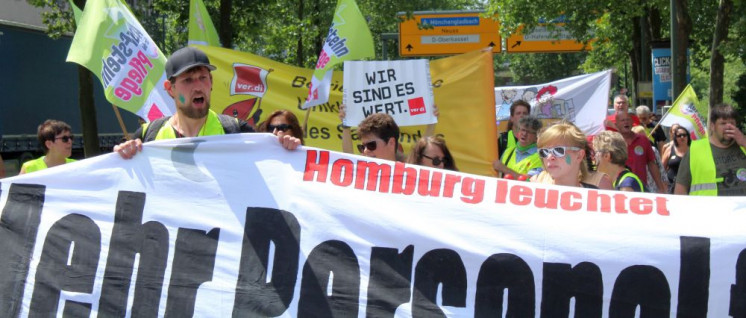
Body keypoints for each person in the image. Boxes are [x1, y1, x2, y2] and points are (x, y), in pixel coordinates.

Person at [114, 47, 299, 158]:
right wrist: (123, 153)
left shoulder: (235, 131)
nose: (198, 87)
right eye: (188, 80)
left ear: (211, 82)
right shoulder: (149, 135)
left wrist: (285, 149)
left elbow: (272, 168)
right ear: (170, 89)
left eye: (203, 78)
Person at [674, 104, 746, 196]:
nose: (728, 127)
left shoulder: (743, 145)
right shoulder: (695, 150)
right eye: (723, 123)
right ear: (712, 126)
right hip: (707, 209)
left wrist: (744, 142)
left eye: (732, 123)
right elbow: (680, 189)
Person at [531, 122, 596, 188]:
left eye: (558, 150)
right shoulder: (535, 192)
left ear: (579, 156)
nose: (549, 157)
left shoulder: (595, 194)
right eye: (544, 151)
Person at [616, 112, 667, 193]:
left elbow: (651, 163)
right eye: (622, 120)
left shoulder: (643, 140)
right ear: (616, 124)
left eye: (628, 119)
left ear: (632, 122)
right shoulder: (613, 142)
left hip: (640, 188)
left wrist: (660, 187)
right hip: (619, 188)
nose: (626, 122)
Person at [661, 126, 690, 193]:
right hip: (671, 186)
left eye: (684, 135)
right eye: (679, 135)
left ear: (688, 136)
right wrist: (663, 185)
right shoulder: (669, 150)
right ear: (675, 137)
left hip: (688, 186)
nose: (682, 137)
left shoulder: (693, 150)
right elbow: (662, 169)